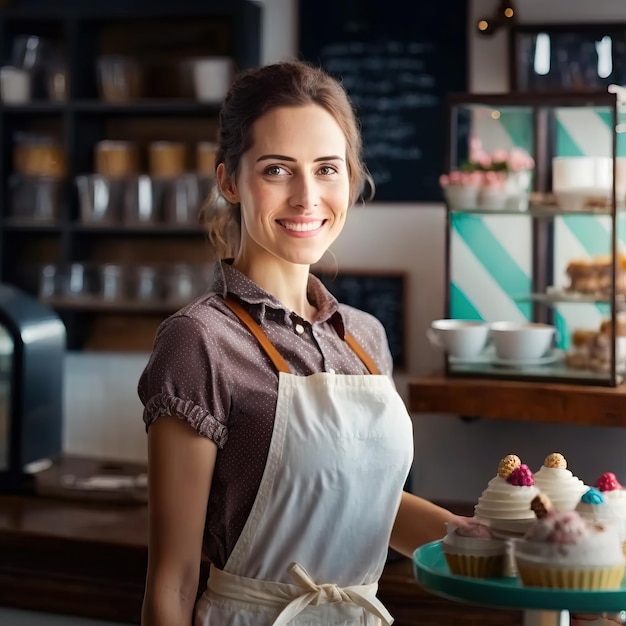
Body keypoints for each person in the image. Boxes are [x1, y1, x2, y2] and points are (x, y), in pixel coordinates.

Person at [138, 59, 464, 626]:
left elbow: (364, 507)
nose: (307, 196)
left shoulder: (364, 336)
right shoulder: (200, 340)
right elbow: (174, 580)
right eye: (277, 170)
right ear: (229, 182)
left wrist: (487, 538)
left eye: (327, 169)